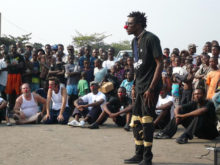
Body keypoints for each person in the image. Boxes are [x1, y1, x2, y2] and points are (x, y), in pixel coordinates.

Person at [124, 11, 163, 165]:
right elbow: (137, 67)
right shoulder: (134, 41)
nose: (126, 26)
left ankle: (147, 158)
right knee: (135, 121)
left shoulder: (151, 39)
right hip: (139, 87)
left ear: (138, 25)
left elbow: (160, 63)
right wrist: (134, 84)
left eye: (129, 23)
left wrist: (152, 88)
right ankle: (138, 154)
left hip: (149, 88)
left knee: (147, 121)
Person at [154, 88, 219, 144]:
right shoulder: (194, 102)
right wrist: (177, 115)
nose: (196, 96)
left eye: (199, 94)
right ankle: (166, 133)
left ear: (204, 95)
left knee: (198, 115)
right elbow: (178, 107)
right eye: (195, 94)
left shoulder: (209, 103)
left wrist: (183, 116)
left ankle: (185, 136)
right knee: (181, 112)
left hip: (209, 133)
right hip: (199, 132)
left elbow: (201, 111)